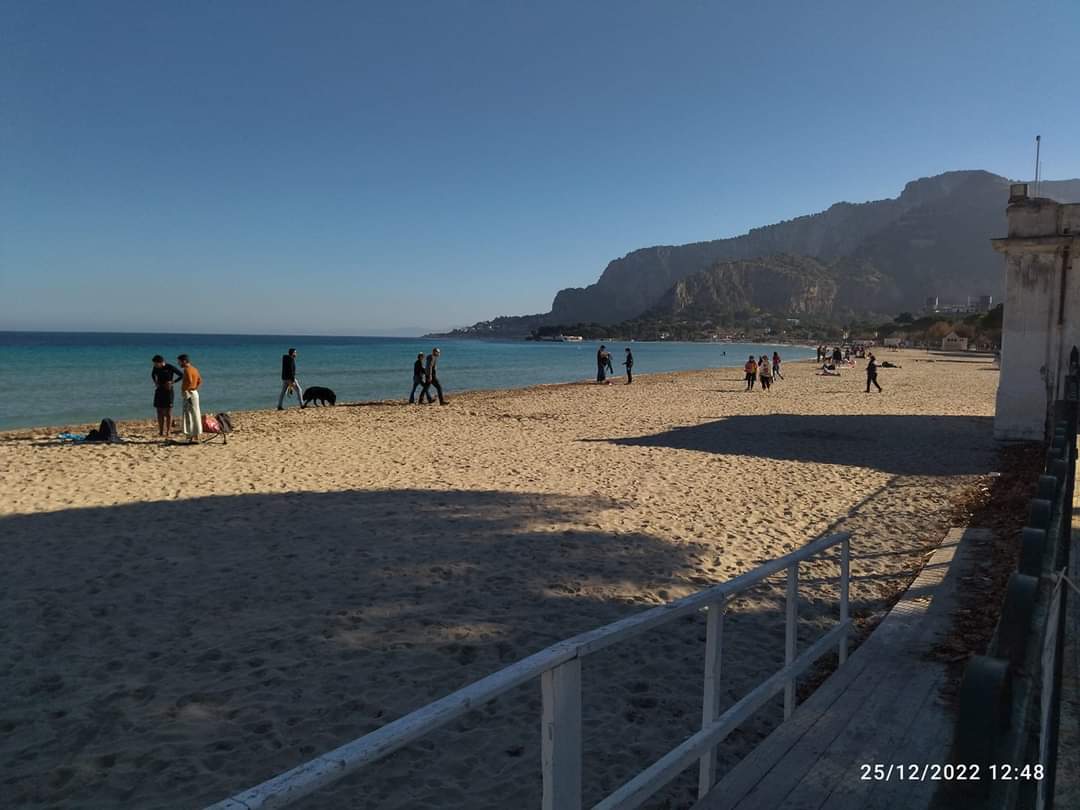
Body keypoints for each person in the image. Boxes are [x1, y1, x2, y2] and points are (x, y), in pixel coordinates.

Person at [151, 355, 183, 438]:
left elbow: (181, 375)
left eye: (156, 363)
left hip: (168, 391)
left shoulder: (169, 367)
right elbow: (153, 375)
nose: (154, 365)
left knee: (168, 412)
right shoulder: (155, 368)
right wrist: (155, 382)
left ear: (161, 362)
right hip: (159, 390)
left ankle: (168, 431)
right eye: (154, 364)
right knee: (159, 411)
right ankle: (161, 431)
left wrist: (172, 382)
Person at [178, 354, 203, 442]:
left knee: (188, 415)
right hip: (194, 393)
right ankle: (196, 435)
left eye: (179, 362)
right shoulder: (194, 369)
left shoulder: (187, 369)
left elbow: (189, 381)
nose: (178, 364)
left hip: (189, 393)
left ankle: (191, 436)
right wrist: (195, 388)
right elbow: (200, 380)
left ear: (184, 361)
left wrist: (186, 390)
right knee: (195, 414)